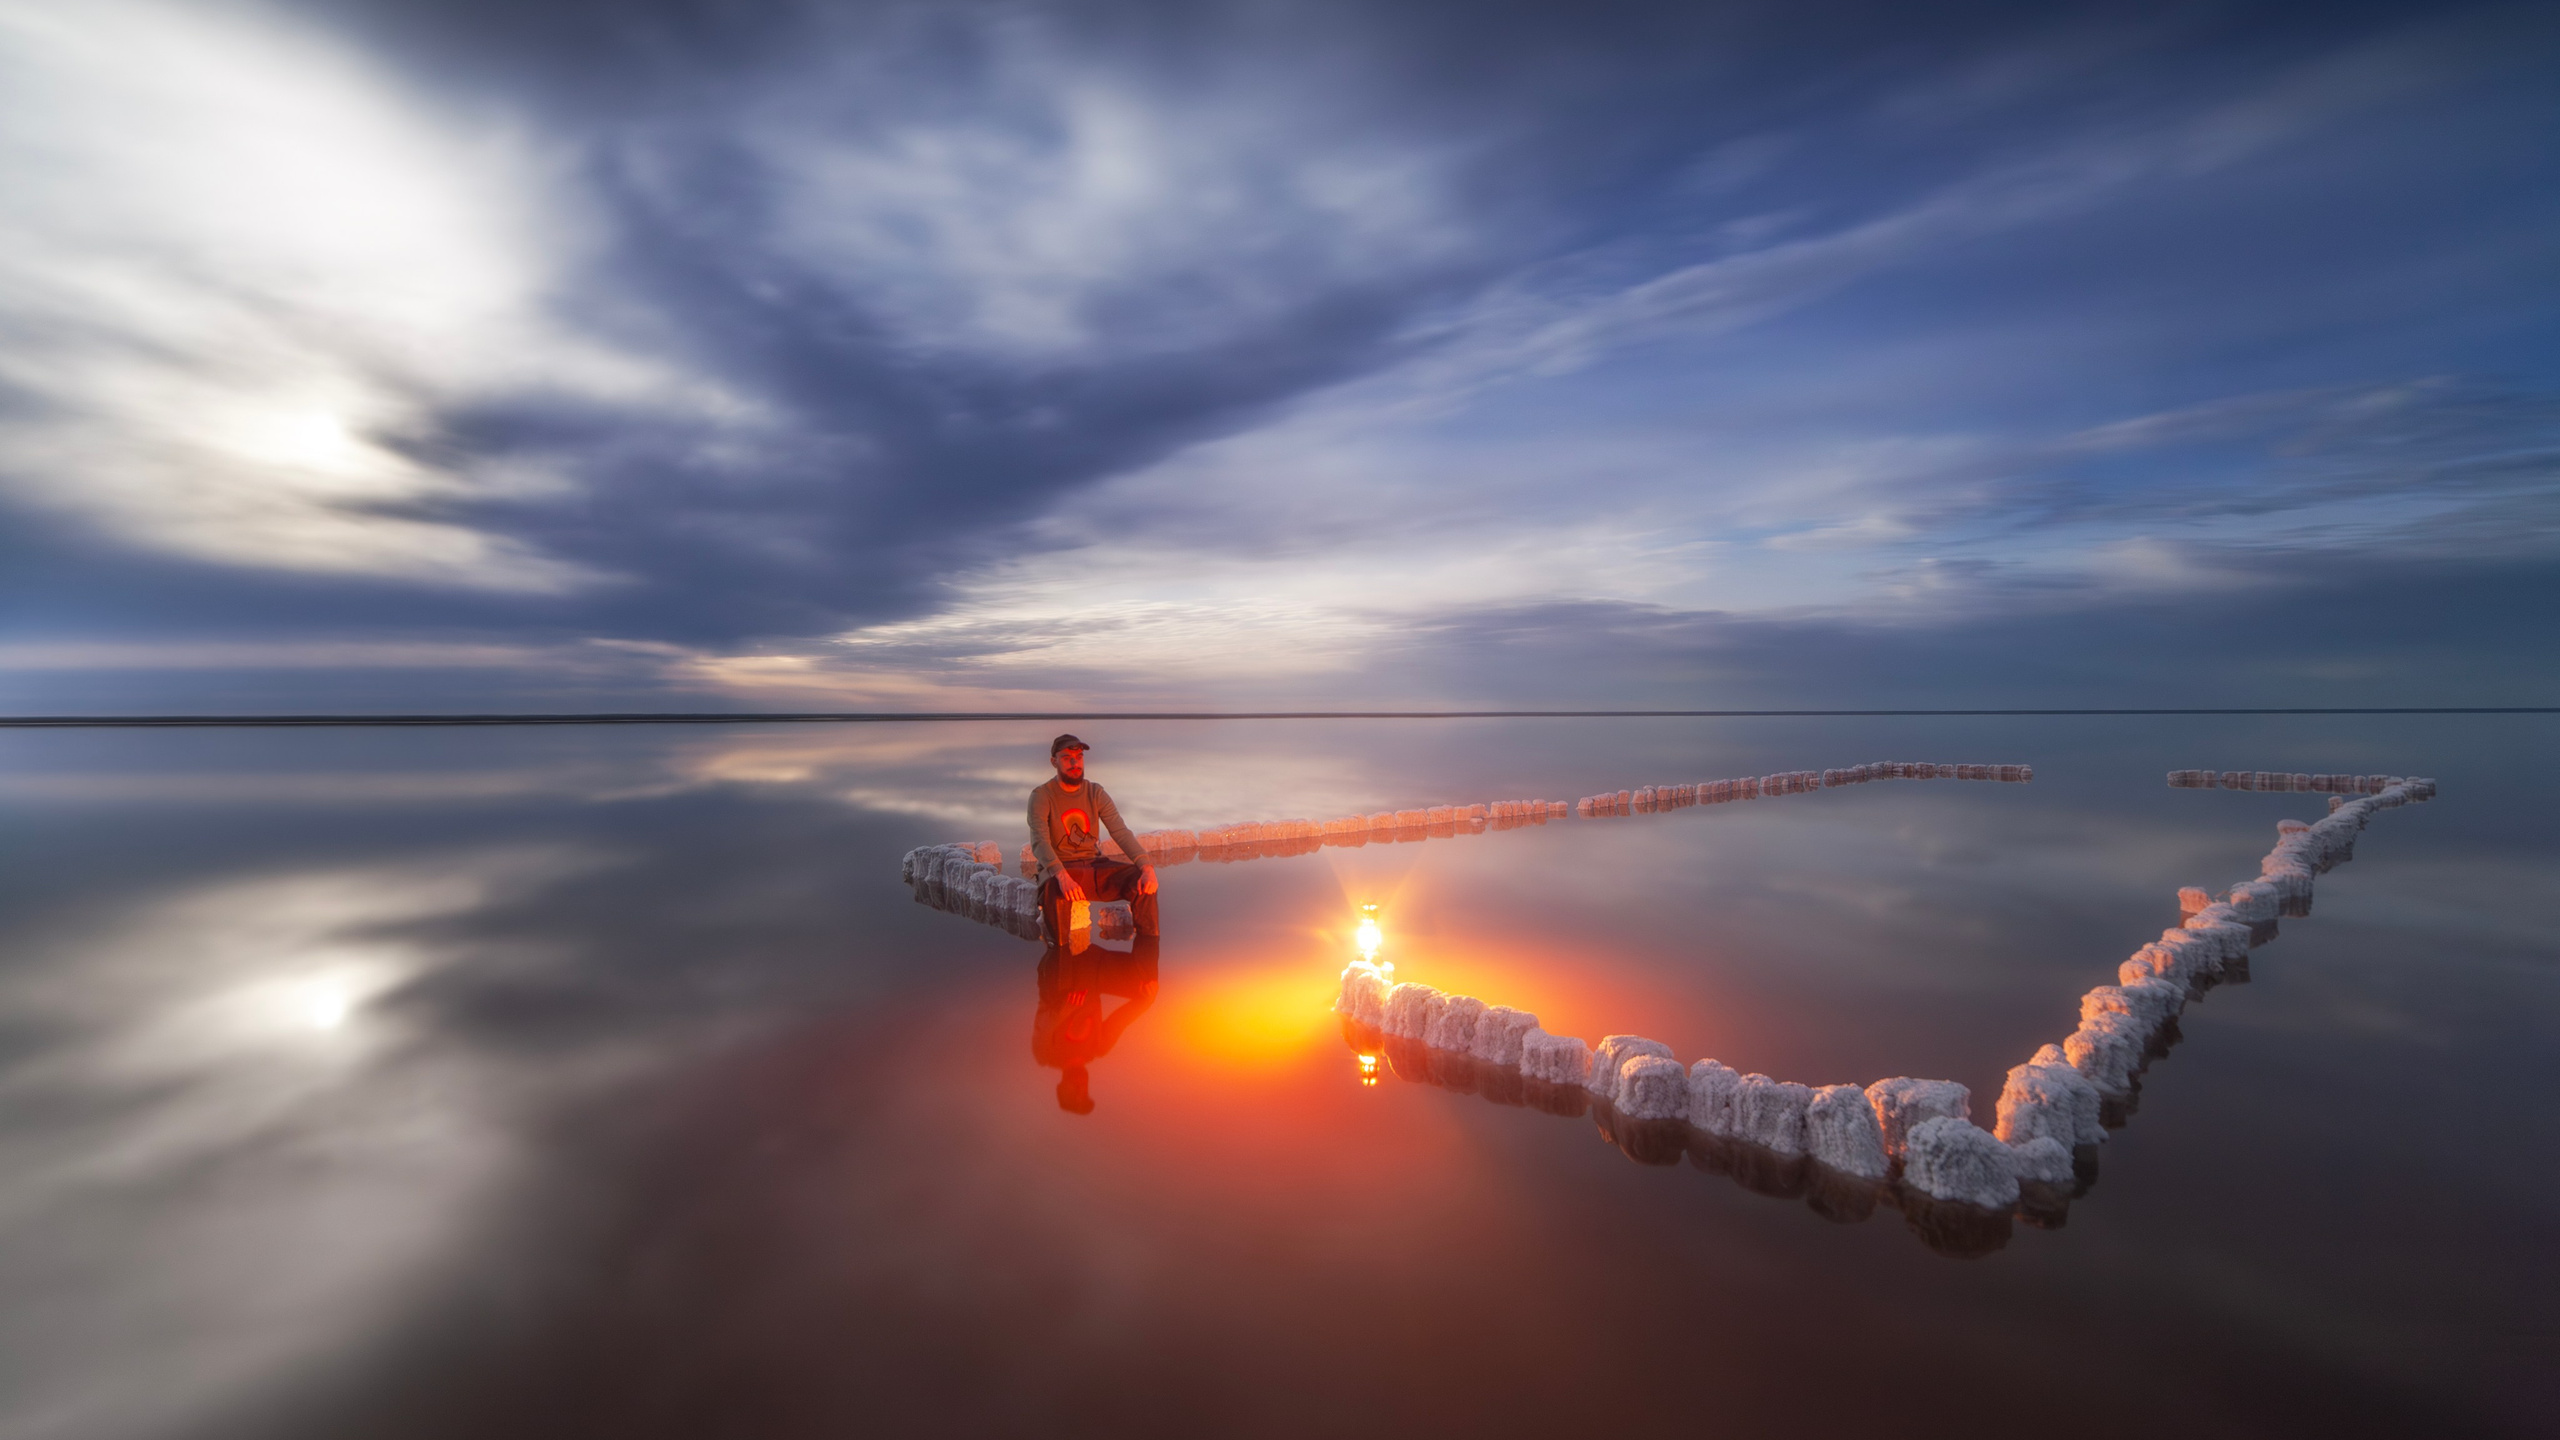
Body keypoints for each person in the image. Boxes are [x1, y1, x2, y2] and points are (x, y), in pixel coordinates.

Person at [1027, 733, 1159, 942]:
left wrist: (1147, 867)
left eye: (1079, 757)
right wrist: (1062, 876)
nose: (1074, 762)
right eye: (1066, 757)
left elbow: (1120, 832)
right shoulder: (1042, 795)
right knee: (1055, 889)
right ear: (1054, 762)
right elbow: (1039, 841)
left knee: (1141, 882)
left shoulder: (1095, 792)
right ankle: (1058, 962)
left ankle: (1148, 961)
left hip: (1094, 866)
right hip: (1061, 869)